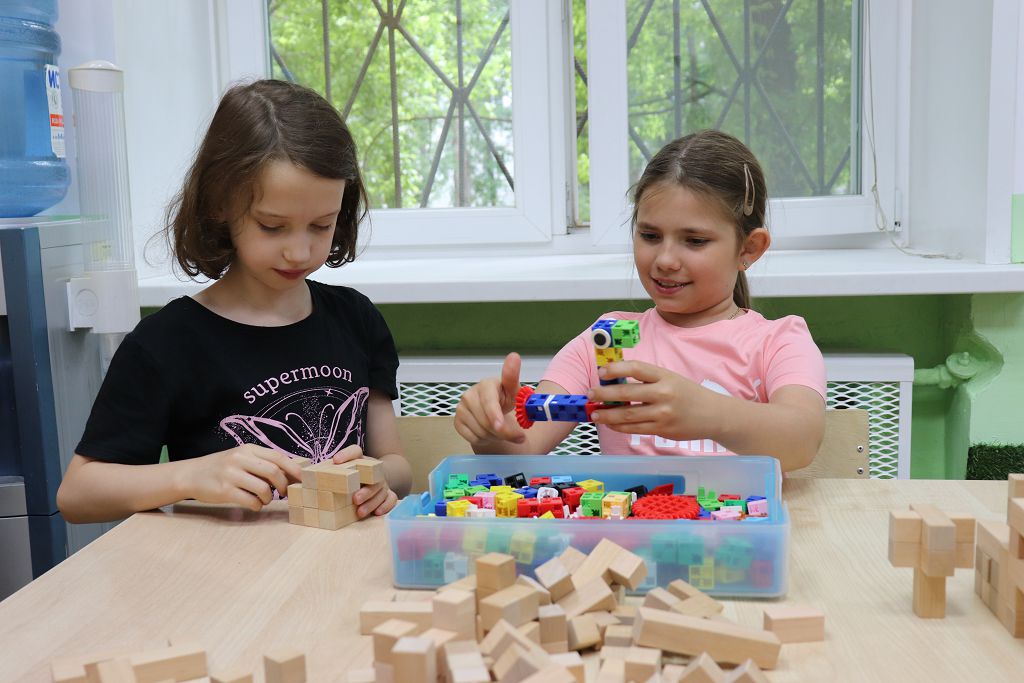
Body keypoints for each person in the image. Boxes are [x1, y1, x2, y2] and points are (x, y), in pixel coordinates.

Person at [57, 80, 411, 523]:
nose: (299, 251)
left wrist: (377, 479)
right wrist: (191, 476)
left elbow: (397, 466)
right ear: (219, 204)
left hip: (337, 556)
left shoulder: (356, 318)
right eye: (272, 226)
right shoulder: (166, 343)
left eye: (322, 225)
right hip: (222, 562)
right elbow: (77, 494)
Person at [455, 130, 825, 471]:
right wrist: (491, 428)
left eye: (695, 241)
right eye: (649, 235)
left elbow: (802, 440)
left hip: (738, 524)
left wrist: (708, 412)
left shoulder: (779, 341)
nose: (665, 259)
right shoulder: (605, 340)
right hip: (625, 524)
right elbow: (522, 449)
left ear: (749, 248)